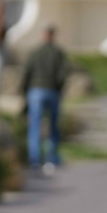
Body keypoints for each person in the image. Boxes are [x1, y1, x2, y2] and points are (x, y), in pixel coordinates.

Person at [20, 23, 72, 174]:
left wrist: (24, 91)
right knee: (53, 126)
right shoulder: (58, 52)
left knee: (35, 126)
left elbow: (26, 73)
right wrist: (58, 87)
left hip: (35, 91)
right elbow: (63, 73)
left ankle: (34, 159)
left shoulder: (34, 52)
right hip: (52, 91)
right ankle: (51, 157)